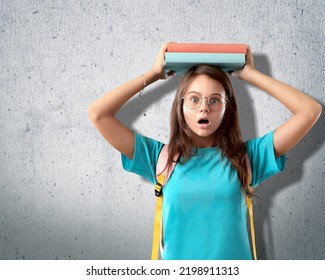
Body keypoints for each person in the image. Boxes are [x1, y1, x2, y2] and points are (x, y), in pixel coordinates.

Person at [87, 43, 322, 260]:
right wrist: (152, 75)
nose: (204, 108)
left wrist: (251, 75)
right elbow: (98, 114)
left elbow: (309, 111)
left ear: (227, 108)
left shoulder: (248, 158)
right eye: (194, 99)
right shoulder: (159, 158)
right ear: (180, 105)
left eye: (214, 101)